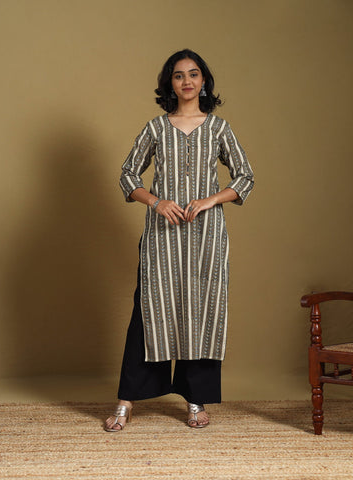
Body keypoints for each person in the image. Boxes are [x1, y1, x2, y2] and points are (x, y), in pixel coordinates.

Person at [105, 49, 254, 431]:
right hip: (162, 237)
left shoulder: (219, 128)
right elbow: (127, 175)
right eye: (178, 75)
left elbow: (245, 177)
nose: (186, 81)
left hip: (206, 237)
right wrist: (156, 202)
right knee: (148, 312)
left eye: (193, 74)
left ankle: (195, 398)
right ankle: (126, 401)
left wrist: (210, 200)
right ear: (169, 84)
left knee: (199, 312)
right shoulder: (156, 128)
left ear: (203, 81)